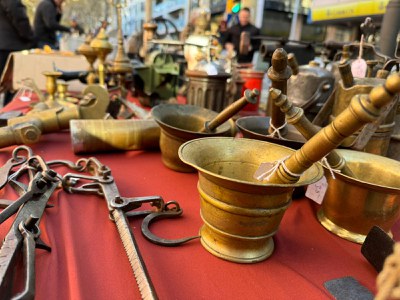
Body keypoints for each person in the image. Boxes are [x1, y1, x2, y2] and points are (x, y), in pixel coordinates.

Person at [0, 0, 35, 106]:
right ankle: (8, 119)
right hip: (9, 47)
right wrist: (30, 37)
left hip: (5, 45)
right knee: (13, 87)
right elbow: (20, 18)